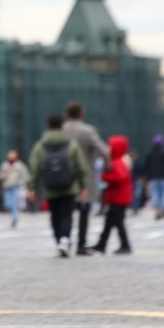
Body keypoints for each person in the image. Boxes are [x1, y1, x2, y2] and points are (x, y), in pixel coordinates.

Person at [28, 114, 89, 258]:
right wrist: (82, 186)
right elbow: (80, 166)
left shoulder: (41, 145)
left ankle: (59, 241)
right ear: (62, 126)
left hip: (50, 187)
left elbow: (35, 167)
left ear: (47, 126)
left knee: (54, 215)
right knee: (67, 214)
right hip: (69, 186)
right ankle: (65, 239)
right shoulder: (70, 143)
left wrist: (32, 187)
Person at [63, 101, 109, 255]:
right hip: (85, 175)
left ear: (67, 114)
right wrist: (107, 167)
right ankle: (81, 245)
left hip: (63, 176)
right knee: (84, 211)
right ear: (81, 114)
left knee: (65, 211)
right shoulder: (88, 131)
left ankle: (64, 241)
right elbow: (104, 150)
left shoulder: (61, 130)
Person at [90, 135, 134, 255]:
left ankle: (125, 245)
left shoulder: (117, 162)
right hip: (117, 197)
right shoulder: (117, 161)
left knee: (118, 223)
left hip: (119, 198)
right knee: (109, 223)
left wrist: (105, 177)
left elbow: (120, 177)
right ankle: (101, 244)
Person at [144, 134, 164, 221]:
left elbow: (146, 165)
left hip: (153, 177)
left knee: (155, 194)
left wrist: (149, 174)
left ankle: (158, 210)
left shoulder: (150, 154)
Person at [0, 149, 31, 228]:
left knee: (14, 203)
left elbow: (26, 176)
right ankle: (13, 217)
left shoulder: (19, 165)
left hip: (16, 187)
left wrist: (21, 183)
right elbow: (0, 176)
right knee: (8, 204)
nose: (11, 156)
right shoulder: (5, 165)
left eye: (12, 154)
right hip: (7, 187)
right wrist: (4, 175)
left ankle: (14, 218)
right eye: (10, 154)